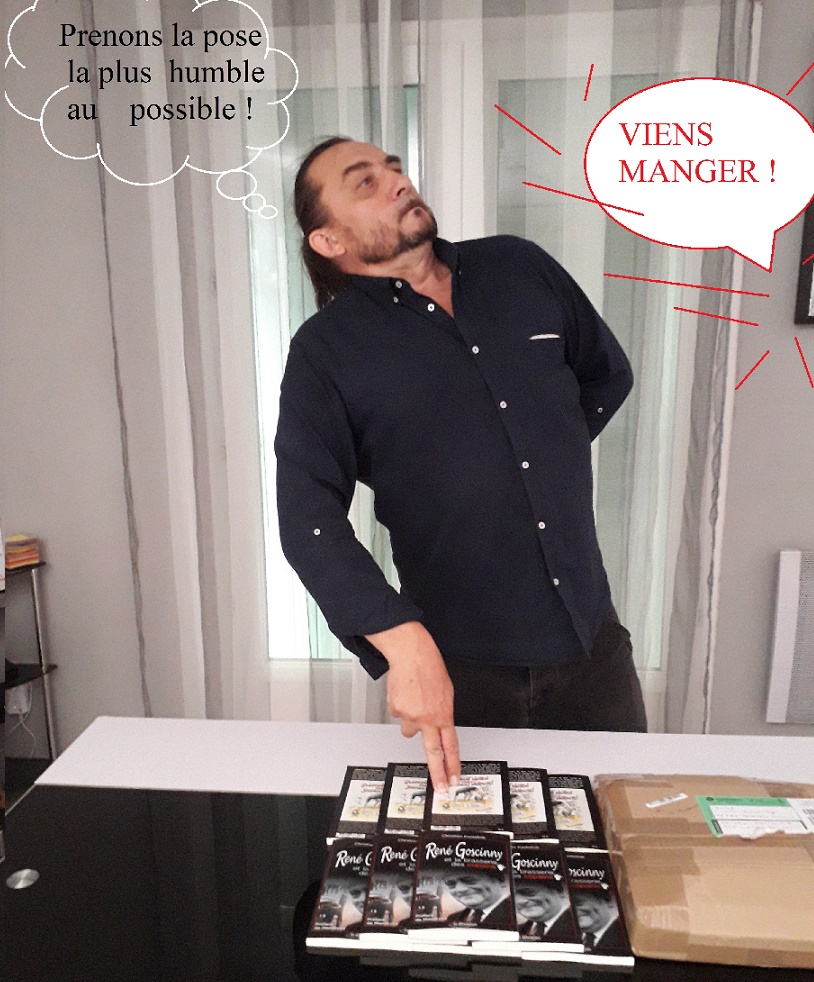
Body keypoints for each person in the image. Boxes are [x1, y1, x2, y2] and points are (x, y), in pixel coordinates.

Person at [275, 137, 648, 792]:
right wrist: (396, 634)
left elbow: (605, 376)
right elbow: (308, 519)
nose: (397, 182)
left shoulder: (519, 267)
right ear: (328, 240)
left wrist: (522, 460)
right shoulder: (324, 352)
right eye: (364, 182)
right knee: (465, 851)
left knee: (624, 837)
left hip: (595, 652)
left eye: (393, 168)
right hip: (459, 673)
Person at [441, 871, 512, 927]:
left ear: (500, 880)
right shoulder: (453, 918)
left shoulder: (513, 916)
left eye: (469, 880)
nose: (460, 889)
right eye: (450, 883)